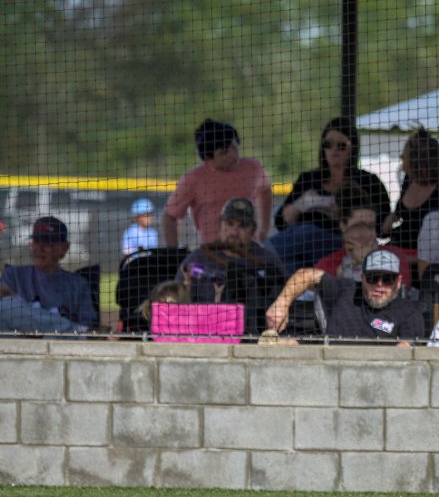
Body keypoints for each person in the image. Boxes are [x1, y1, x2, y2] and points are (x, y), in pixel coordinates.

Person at [269, 117, 392, 274]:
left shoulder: (368, 181)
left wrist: (345, 215)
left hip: (346, 246)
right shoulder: (309, 179)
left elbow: (383, 226)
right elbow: (280, 222)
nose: (334, 151)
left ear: (353, 148)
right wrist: (300, 205)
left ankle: (256, 255)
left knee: (309, 233)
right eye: (328, 145)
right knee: (290, 267)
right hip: (304, 251)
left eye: (341, 146)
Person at [176, 198, 288, 335]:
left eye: (242, 226)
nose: (234, 232)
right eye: (229, 224)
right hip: (202, 334)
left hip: (254, 336)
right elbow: (177, 302)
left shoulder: (267, 261)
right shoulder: (198, 259)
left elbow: (284, 300)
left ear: (253, 230)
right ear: (220, 226)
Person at [265, 248, 423, 342]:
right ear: (362, 278)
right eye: (373, 278)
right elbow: (306, 275)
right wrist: (281, 303)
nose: (379, 284)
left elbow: (406, 351)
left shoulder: (409, 312)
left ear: (399, 281)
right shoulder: (347, 290)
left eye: (388, 279)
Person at [162, 119, 272, 247]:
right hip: (213, 252)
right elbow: (169, 217)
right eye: (224, 152)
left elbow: (266, 191)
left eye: (234, 146)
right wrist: (173, 254)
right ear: (208, 157)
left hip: (250, 250)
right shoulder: (193, 179)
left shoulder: (253, 167)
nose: (233, 155)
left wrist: (263, 230)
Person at [0, 216, 97, 332]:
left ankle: (67, 330)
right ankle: (68, 329)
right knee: (6, 306)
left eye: (48, 243)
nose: (40, 248)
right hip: (18, 340)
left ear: (64, 247)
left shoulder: (77, 284)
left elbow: (89, 326)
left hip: (62, 342)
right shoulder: (14, 275)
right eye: (36, 241)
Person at [312, 186, 414, 286]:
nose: (366, 234)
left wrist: (370, 260)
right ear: (343, 226)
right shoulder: (325, 266)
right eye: (358, 226)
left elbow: (400, 290)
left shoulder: (394, 256)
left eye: (370, 226)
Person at [381, 128, 439, 252]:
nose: (401, 157)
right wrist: (391, 217)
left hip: (431, 252)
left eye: (405, 155)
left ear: (418, 161)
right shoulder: (409, 179)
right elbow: (400, 211)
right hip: (401, 246)